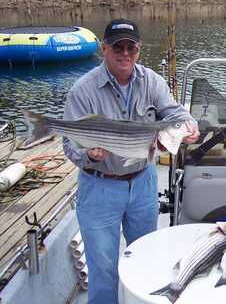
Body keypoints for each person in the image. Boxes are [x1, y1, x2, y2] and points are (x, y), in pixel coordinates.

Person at [63, 18, 199, 304]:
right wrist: (87, 155)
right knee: (103, 269)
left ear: (139, 49)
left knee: (145, 258)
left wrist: (187, 124)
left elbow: (173, 112)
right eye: (118, 47)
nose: (125, 53)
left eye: (131, 47)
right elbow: (70, 143)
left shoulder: (151, 80)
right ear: (104, 48)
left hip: (142, 184)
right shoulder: (83, 90)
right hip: (99, 188)